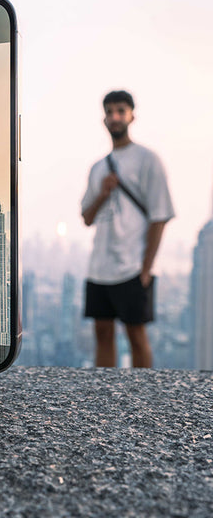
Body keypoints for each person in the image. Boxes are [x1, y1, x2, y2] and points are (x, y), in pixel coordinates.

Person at [81, 90, 174, 368]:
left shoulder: (148, 159)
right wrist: (103, 193)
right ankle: (106, 393)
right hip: (99, 267)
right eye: (109, 111)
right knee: (102, 332)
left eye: (121, 110)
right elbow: (86, 217)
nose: (115, 117)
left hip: (131, 266)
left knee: (136, 333)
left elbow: (160, 216)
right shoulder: (98, 167)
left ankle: (143, 398)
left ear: (132, 115)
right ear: (104, 119)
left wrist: (146, 268)